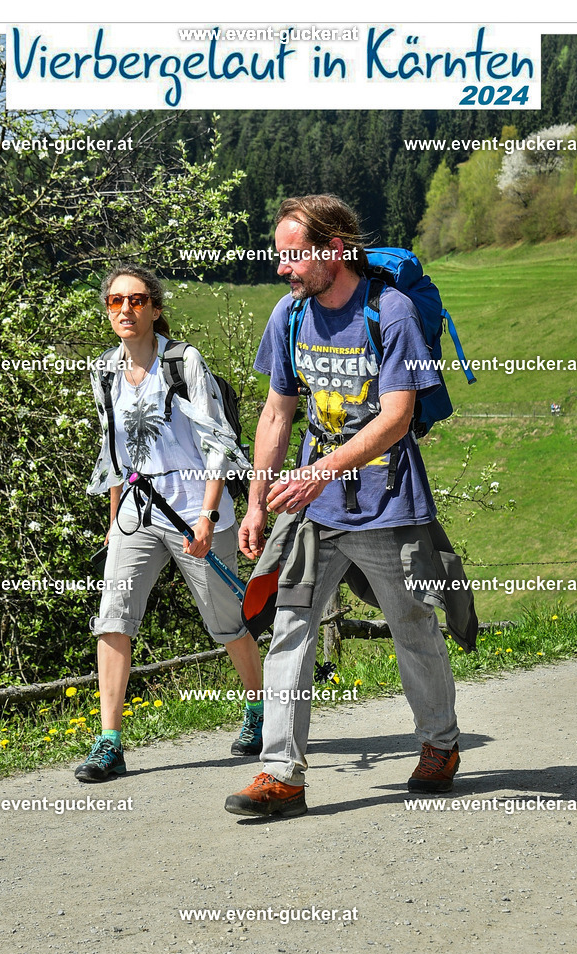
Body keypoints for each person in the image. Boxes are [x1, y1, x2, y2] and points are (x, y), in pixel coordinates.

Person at [225, 195, 461, 818]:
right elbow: (278, 412)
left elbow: (397, 417)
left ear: (333, 251)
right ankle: (281, 774)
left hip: (388, 503)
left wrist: (318, 472)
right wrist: (256, 502)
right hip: (314, 514)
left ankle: (440, 744)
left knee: (412, 626)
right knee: (291, 629)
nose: (282, 269)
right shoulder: (290, 315)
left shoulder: (393, 311)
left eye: (292, 256)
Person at [75, 263, 263, 782]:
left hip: (192, 508)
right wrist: (114, 520)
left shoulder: (183, 362)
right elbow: (115, 450)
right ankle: (108, 742)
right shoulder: (104, 370)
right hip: (138, 511)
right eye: (115, 302)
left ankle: (260, 709)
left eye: (136, 300)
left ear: (155, 308)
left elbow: (218, 441)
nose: (125, 310)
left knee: (226, 621)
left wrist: (206, 516)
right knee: (113, 615)